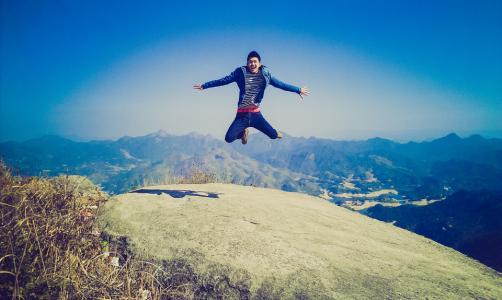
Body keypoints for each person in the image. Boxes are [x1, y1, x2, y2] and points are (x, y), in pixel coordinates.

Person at [193, 51, 310, 144]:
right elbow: (223, 80)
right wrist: (205, 86)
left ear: (259, 63)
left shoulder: (265, 75)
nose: (252, 64)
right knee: (228, 138)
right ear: (247, 63)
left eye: (255, 62)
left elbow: (280, 84)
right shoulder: (240, 73)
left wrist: (298, 90)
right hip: (241, 115)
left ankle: (274, 133)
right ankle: (243, 133)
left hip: (256, 115)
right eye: (250, 62)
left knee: (274, 136)